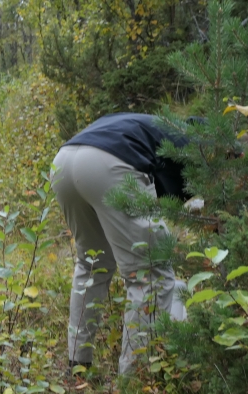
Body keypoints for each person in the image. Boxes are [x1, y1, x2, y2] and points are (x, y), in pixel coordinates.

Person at [50, 113, 191, 375]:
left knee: (92, 263)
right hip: (109, 164)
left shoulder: (166, 126)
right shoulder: (202, 148)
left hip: (64, 162)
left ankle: (77, 366)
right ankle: (136, 379)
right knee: (150, 273)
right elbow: (197, 209)